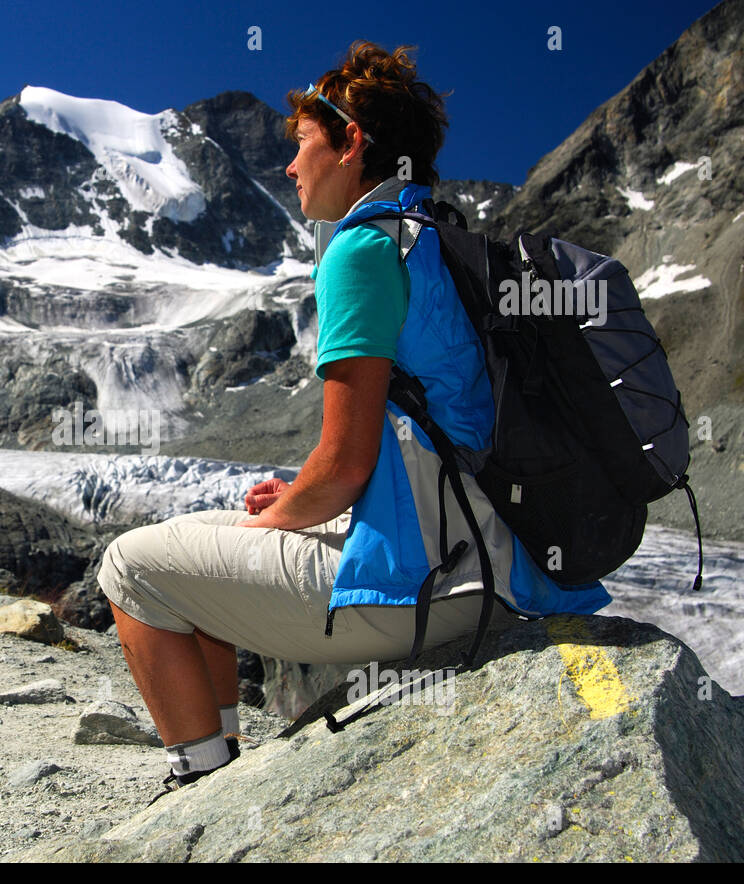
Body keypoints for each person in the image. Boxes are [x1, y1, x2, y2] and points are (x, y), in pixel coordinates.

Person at [96, 40, 613, 802]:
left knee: (130, 566)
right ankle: (223, 758)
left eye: (304, 143)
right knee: (210, 531)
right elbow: (398, 435)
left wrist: (282, 522)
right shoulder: (435, 237)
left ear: (351, 143)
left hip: (433, 589)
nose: (290, 166)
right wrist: (292, 505)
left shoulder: (360, 251)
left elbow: (342, 467)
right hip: (503, 563)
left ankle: (200, 775)